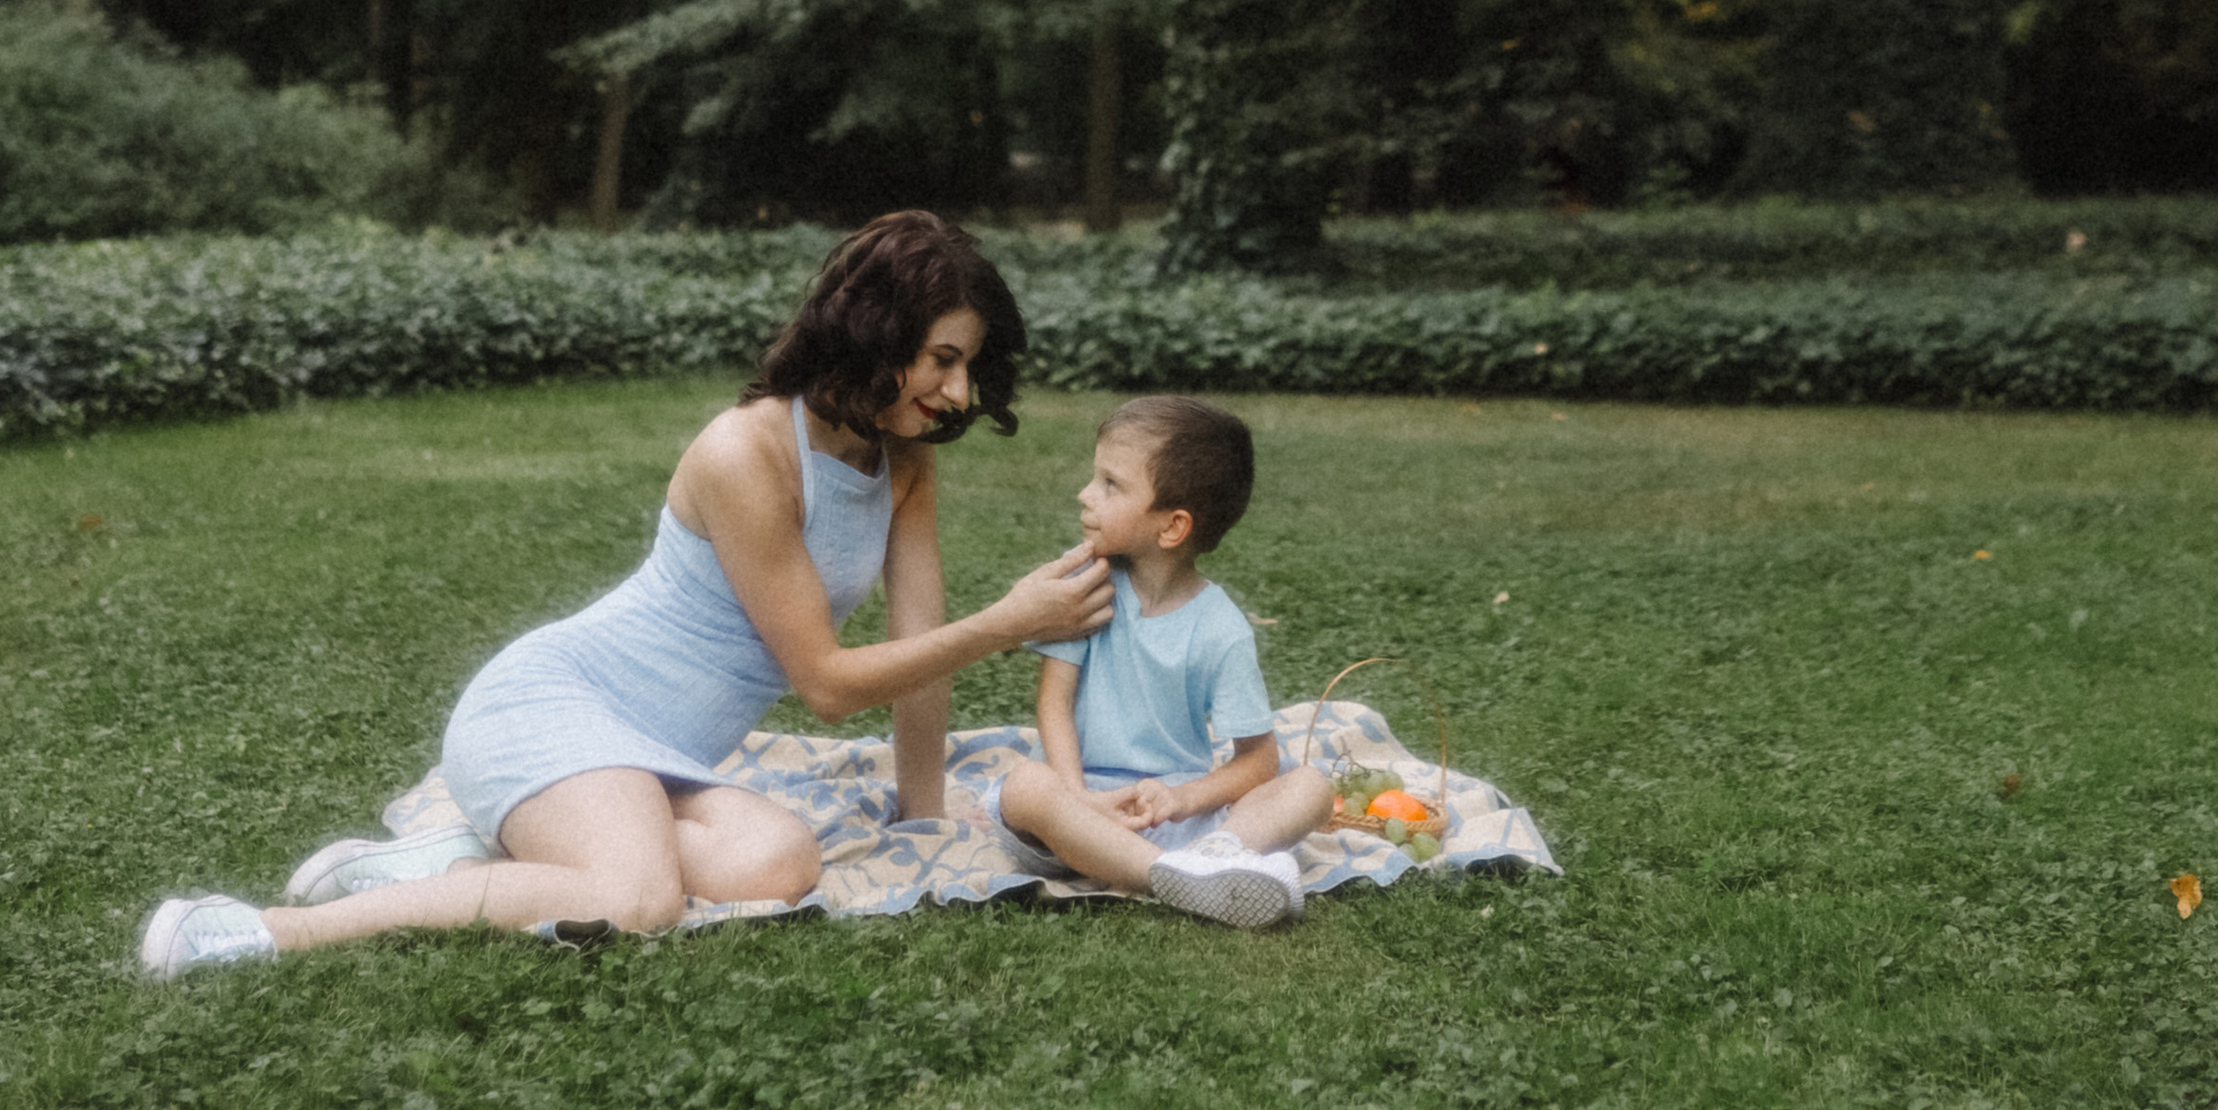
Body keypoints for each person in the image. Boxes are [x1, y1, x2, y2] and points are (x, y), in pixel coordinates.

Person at [139, 211, 1112, 976]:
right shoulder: (746, 453)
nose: (957, 392)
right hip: (551, 708)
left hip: (655, 761)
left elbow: (918, 647)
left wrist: (921, 817)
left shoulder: (901, 463)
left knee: (780, 863)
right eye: (943, 357)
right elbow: (827, 682)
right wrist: (1010, 624)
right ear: (875, 329)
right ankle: (253, 930)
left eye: (970, 366)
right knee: (635, 897)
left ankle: (453, 868)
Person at [991, 394, 1333, 931]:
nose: (1085, 495)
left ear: (1172, 527)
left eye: (1111, 484)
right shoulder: (1083, 589)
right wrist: (1080, 798)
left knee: (1311, 784)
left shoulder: (1221, 628)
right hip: (1075, 814)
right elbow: (1053, 704)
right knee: (1024, 786)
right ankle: (1174, 876)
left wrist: (1183, 798)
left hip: (1179, 818)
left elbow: (1258, 761)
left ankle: (1214, 858)